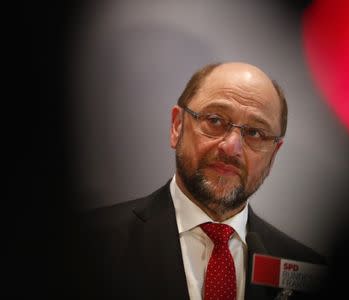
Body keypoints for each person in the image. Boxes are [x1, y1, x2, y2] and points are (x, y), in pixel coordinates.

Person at [69, 62, 327, 300]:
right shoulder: (91, 243)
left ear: (273, 155)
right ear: (177, 126)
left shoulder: (307, 271)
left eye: (255, 133)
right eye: (215, 120)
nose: (231, 147)